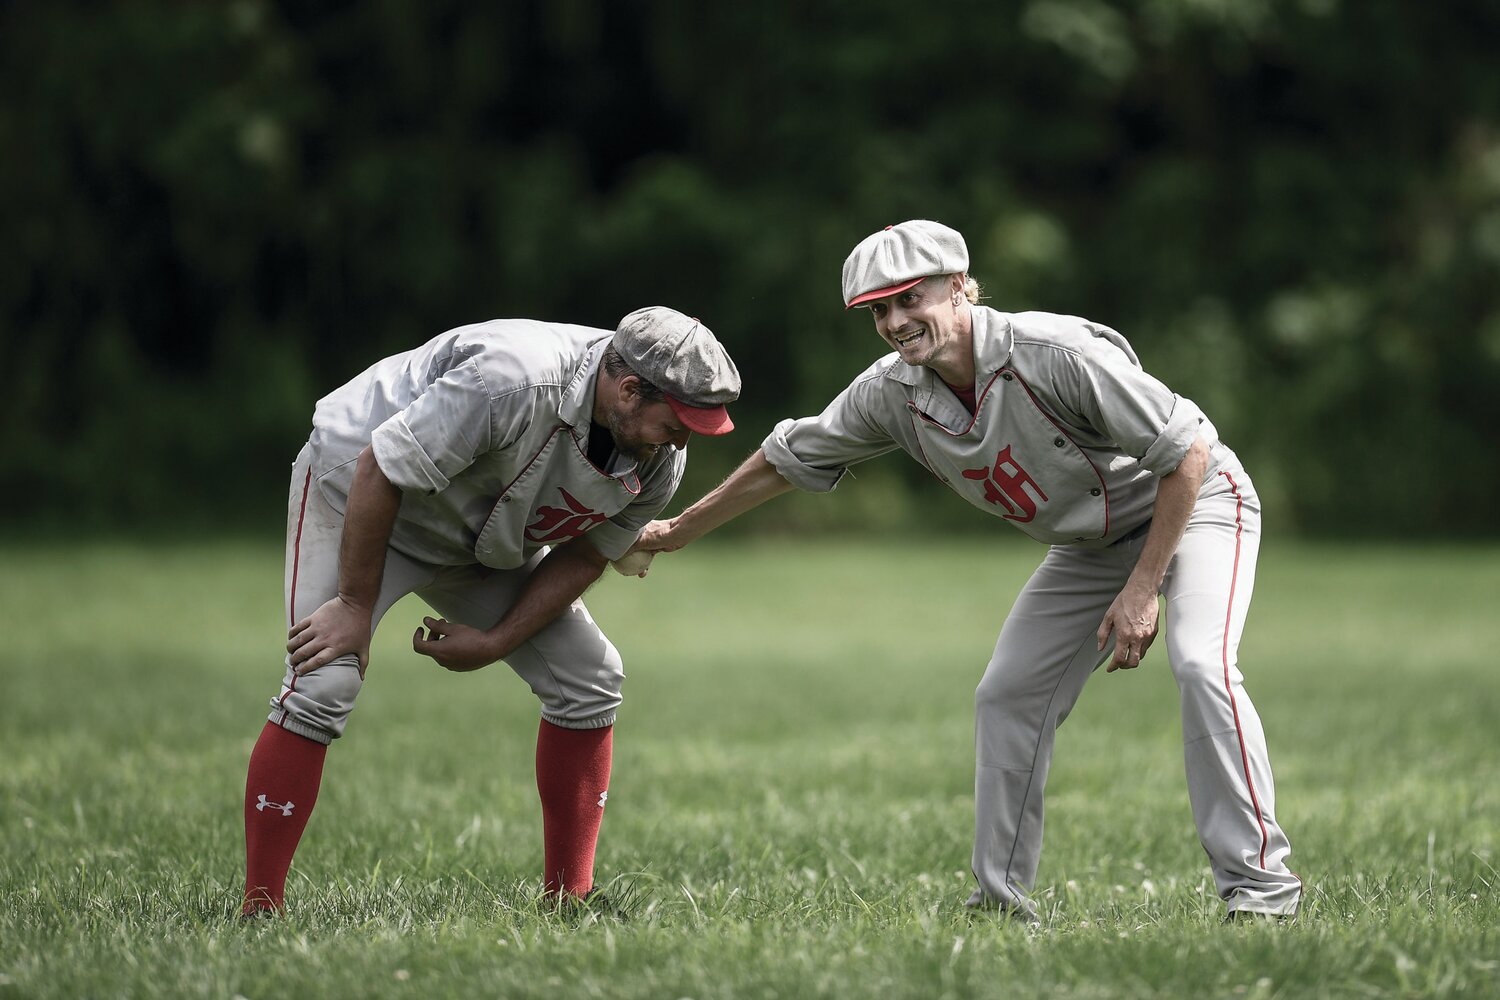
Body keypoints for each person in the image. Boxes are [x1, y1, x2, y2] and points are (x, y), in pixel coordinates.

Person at [633, 221, 1300, 922]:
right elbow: (786, 457)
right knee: (1007, 695)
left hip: (1197, 506)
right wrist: (678, 530)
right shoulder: (893, 392)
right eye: (877, 311)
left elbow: (1188, 452)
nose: (894, 322)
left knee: (1201, 664)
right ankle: (1000, 904)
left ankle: (1262, 892)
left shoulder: (1053, 353)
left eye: (908, 299)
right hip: (1090, 545)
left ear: (959, 287)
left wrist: (1142, 589)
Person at [241, 306, 740, 916]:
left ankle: (568, 900)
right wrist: (353, 604)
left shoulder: (659, 455)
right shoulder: (514, 377)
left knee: (591, 676)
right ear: (630, 388)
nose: (686, 437)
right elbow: (383, 464)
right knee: (326, 679)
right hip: (361, 495)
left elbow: (586, 554)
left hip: (484, 533)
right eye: (681, 420)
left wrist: (498, 639)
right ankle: (259, 908)